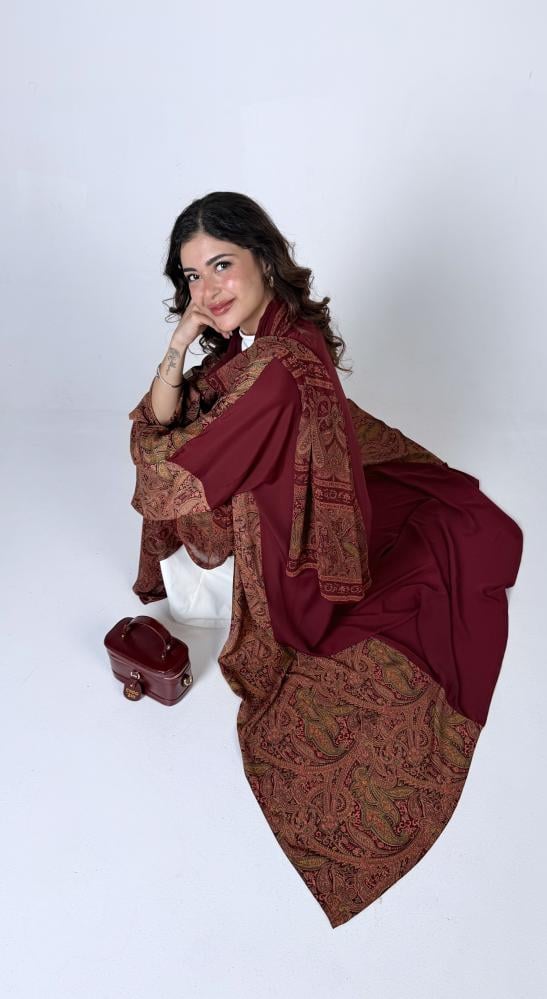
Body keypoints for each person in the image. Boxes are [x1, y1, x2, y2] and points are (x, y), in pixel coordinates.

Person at [128, 191, 524, 928]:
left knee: (180, 483)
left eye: (221, 265)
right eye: (191, 276)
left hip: (284, 558)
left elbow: (159, 464)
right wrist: (181, 343)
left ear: (262, 258)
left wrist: (174, 434)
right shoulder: (277, 332)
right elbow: (163, 416)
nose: (207, 289)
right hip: (288, 502)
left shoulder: (275, 368)